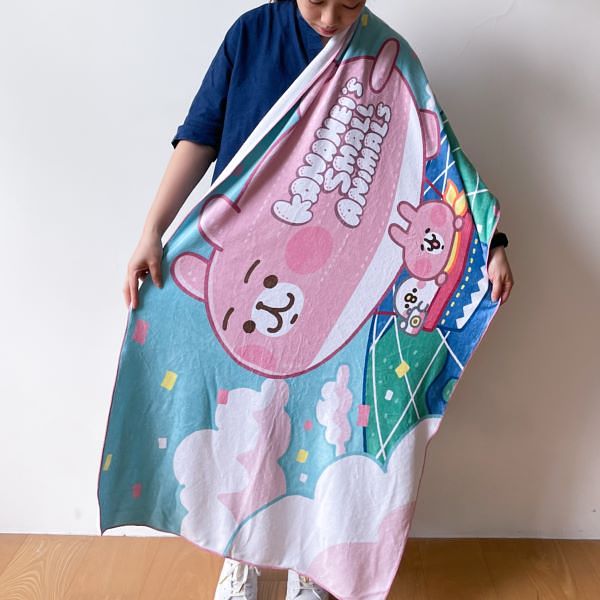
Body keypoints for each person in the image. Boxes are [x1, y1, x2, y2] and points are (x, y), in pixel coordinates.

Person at [121, 1, 515, 598]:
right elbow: (200, 134)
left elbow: (441, 163)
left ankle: (311, 563)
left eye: (349, 2)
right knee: (243, 421)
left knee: (317, 430)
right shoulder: (252, 37)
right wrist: (153, 228)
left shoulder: (389, 58)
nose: (331, 18)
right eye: (316, 1)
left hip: (336, 285)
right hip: (246, 270)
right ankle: (240, 554)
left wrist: (491, 244)